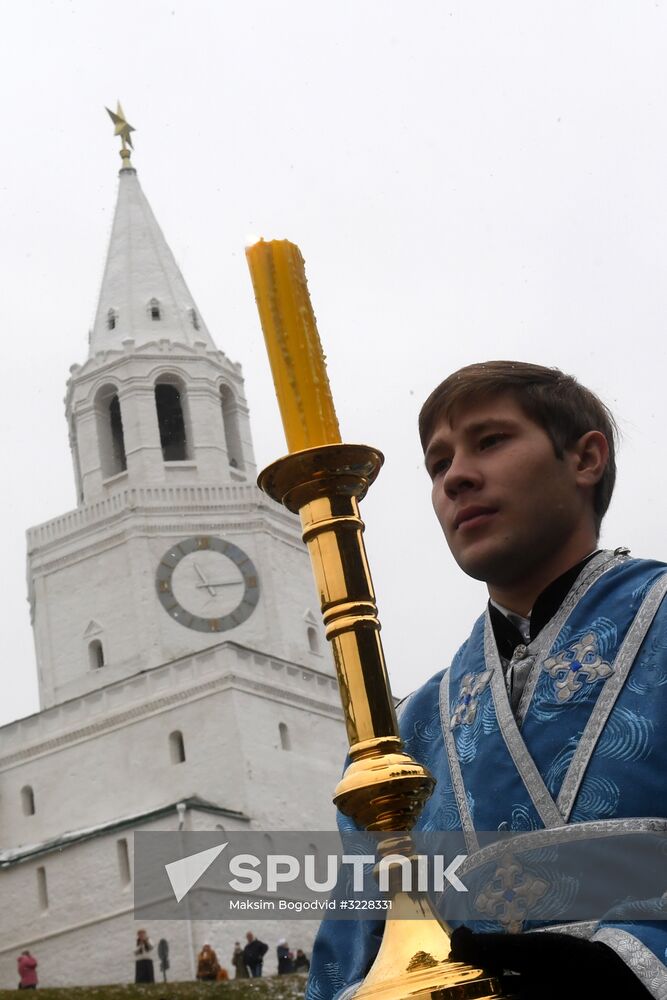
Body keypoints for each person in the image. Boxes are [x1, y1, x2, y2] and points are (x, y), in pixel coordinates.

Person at [307, 362, 666, 1000]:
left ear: (585, 458)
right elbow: (351, 961)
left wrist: (627, 970)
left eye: (490, 441)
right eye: (437, 464)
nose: (457, 477)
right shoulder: (405, 733)